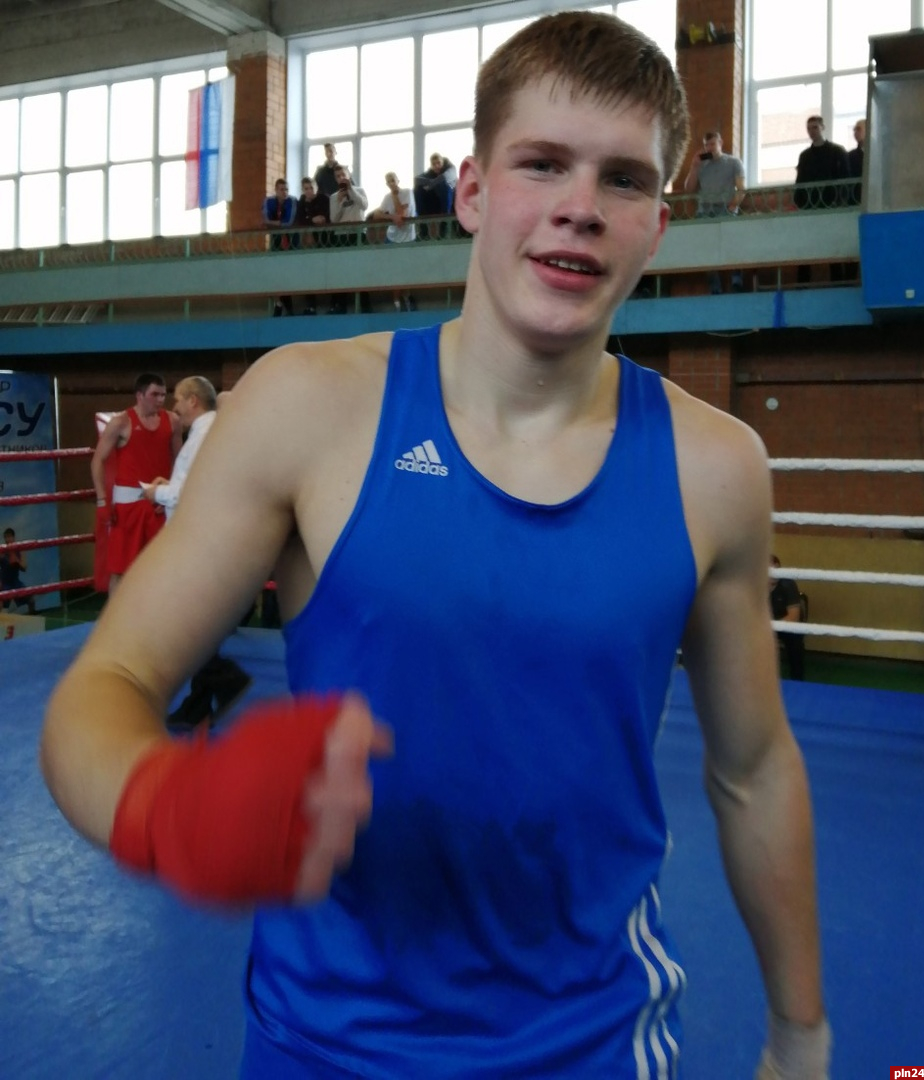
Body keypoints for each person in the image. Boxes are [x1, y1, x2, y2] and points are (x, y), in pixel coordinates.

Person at [41, 13, 829, 1079]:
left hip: (592, 1044)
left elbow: (754, 767)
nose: (580, 206)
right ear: (470, 192)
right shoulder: (309, 407)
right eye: (541, 163)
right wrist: (166, 807)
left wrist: (800, 1032)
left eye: (624, 180)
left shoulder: (714, 468)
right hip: (322, 1042)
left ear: (657, 224)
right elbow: (110, 681)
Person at [140, 376, 251, 729]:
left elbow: (192, 493)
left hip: (197, 539)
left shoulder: (204, 435)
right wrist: (168, 485)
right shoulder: (210, 432)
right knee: (197, 622)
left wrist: (157, 494)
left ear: (192, 401)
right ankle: (200, 702)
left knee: (186, 624)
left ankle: (226, 679)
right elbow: (195, 483)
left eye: (177, 399)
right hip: (204, 537)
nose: (174, 407)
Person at [90, 372, 181, 595]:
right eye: (155, 394)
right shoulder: (121, 422)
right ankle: (116, 617)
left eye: (163, 395)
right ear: (140, 395)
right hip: (127, 508)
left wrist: (171, 494)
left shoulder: (172, 421)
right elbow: (97, 461)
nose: (160, 399)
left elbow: (181, 462)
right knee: (120, 570)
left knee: (161, 569)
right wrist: (102, 501)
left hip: (159, 504)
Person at [683, 128, 746, 293]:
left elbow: (741, 188)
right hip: (705, 210)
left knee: (733, 244)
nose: (710, 148)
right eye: (707, 145)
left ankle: (736, 280)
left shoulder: (733, 162)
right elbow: (688, 189)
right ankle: (714, 287)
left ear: (720, 143)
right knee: (707, 249)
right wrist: (694, 167)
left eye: (712, 144)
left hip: (726, 208)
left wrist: (732, 206)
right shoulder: (701, 165)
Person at [794, 116, 850, 285]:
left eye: (815, 127)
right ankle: (803, 284)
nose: (811, 131)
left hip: (832, 207)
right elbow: (800, 182)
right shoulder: (805, 156)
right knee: (805, 246)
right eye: (809, 128)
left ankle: (838, 282)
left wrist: (840, 202)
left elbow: (845, 180)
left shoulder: (837, 152)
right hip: (810, 209)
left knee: (833, 245)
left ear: (823, 127)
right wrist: (801, 204)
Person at [368, 171, 417, 310]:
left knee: (406, 271)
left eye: (393, 180)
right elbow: (377, 214)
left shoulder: (407, 192)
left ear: (398, 180)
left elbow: (402, 215)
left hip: (407, 238)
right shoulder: (386, 197)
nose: (391, 183)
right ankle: (396, 303)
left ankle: (407, 298)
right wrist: (391, 217)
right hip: (392, 238)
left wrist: (395, 196)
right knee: (394, 272)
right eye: (389, 181)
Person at [328, 164, 369, 314]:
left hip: (357, 234)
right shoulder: (334, 197)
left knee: (361, 270)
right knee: (341, 271)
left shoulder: (359, 190)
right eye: (338, 176)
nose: (341, 178)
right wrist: (339, 202)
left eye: (343, 175)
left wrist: (351, 190)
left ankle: (365, 305)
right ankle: (341, 305)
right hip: (341, 236)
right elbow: (334, 219)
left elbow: (364, 205)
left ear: (349, 175)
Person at [262, 178, 298, 315]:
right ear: (276, 190)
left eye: (286, 189)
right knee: (276, 274)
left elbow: (288, 222)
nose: (285, 192)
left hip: (291, 242)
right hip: (276, 242)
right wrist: (277, 223)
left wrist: (273, 223)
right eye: (282, 190)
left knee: (287, 274)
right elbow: (265, 220)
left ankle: (285, 307)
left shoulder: (292, 201)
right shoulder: (268, 201)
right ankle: (281, 304)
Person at [296, 176, 331, 314]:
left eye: (311, 188)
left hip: (325, 241)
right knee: (309, 273)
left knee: (329, 272)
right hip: (308, 244)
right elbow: (300, 220)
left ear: (316, 187)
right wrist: (311, 219)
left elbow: (326, 217)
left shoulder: (324, 199)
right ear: (302, 190)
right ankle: (311, 305)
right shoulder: (301, 202)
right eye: (306, 189)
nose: (309, 191)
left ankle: (334, 304)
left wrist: (316, 219)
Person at [769, 554, 806, 681]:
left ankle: (797, 680)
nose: (774, 573)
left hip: (786, 626)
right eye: (770, 570)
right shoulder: (755, 586)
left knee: (795, 640)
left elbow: (793, 616)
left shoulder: (788, 584)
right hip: (764, 626)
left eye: (777, 569)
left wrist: (772, 627)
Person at [413, 151, 458, 237]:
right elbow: (417, 180)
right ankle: (423, 227)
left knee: (444, 184)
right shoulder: (430, 172)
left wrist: (431, 184)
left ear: (443, 162)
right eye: (434, 164)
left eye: (438, 163)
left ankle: (444, 225)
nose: (436, 166)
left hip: (451, 204)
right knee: (418, 189)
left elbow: (445, 177)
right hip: (435, 203)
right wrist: (433, 182)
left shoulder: (451, 168)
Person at [0, 526, 34, 614]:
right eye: (6, 537)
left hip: (16, 583)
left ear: (13, 537)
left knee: (31, 599)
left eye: (9, 537)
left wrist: (17, 561)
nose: (8, 539)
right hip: (5, 584)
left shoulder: (20, 550)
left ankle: (33, 618)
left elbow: (24, 568)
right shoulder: (2, 551)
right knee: (1, 605)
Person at [848, 118, 866, 206]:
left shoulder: (879, 153)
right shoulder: (850, 156)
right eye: (854, 130)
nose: (855, 132)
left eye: (858, 129)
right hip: (856, 200)